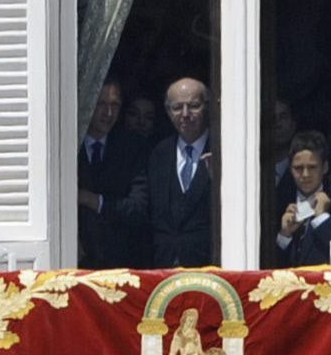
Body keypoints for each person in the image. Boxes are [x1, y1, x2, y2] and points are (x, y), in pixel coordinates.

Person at [138, 78, 223, 268]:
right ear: (168, 112)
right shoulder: (159, 153)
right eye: (177, 107)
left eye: (193, 106)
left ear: (207, 108)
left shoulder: (221, 150)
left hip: (209, 266)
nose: (185, 114)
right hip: (163, 266)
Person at [75, 81, 144, 269]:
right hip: (73, 261)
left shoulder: (131, 149)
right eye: (101, 104)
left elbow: (138, 209)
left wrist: (93, 200)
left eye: (115, 105)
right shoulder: (69, 147)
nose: (108, 113)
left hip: (120, 263)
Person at [270, 136, 331, 267]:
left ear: (325, 167)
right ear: (290, 169)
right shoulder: (276, 205)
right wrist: (284, 235)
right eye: (298, 168)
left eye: (312, 167)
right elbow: (267, 263)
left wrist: (322, 219)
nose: (305, 174)